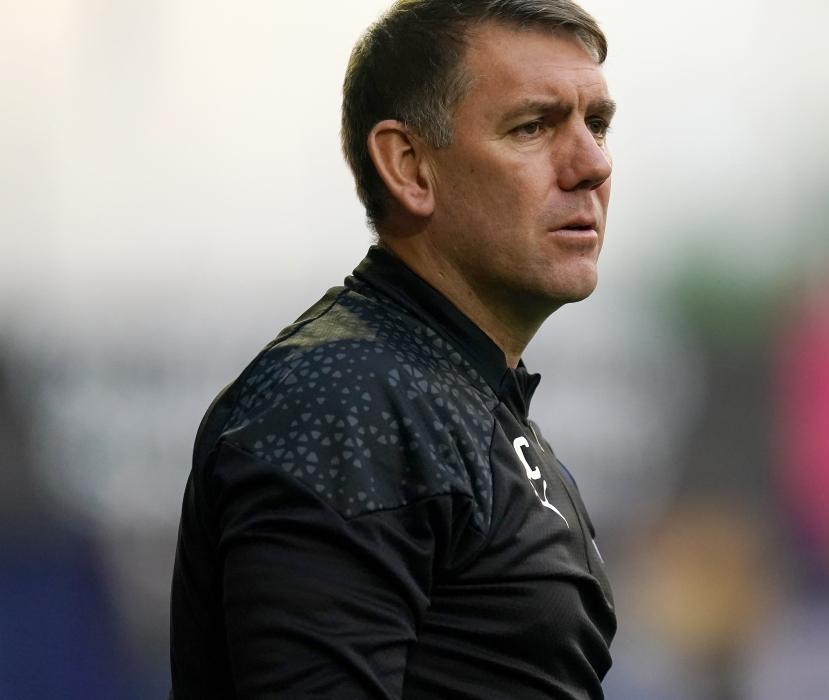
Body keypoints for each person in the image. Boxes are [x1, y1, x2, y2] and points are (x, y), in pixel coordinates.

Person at [169, 0, 617, 696]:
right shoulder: (346, 395)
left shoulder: (452, 390)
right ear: (409, 167)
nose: (592, 164)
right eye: (532, 127)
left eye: (598, 124)